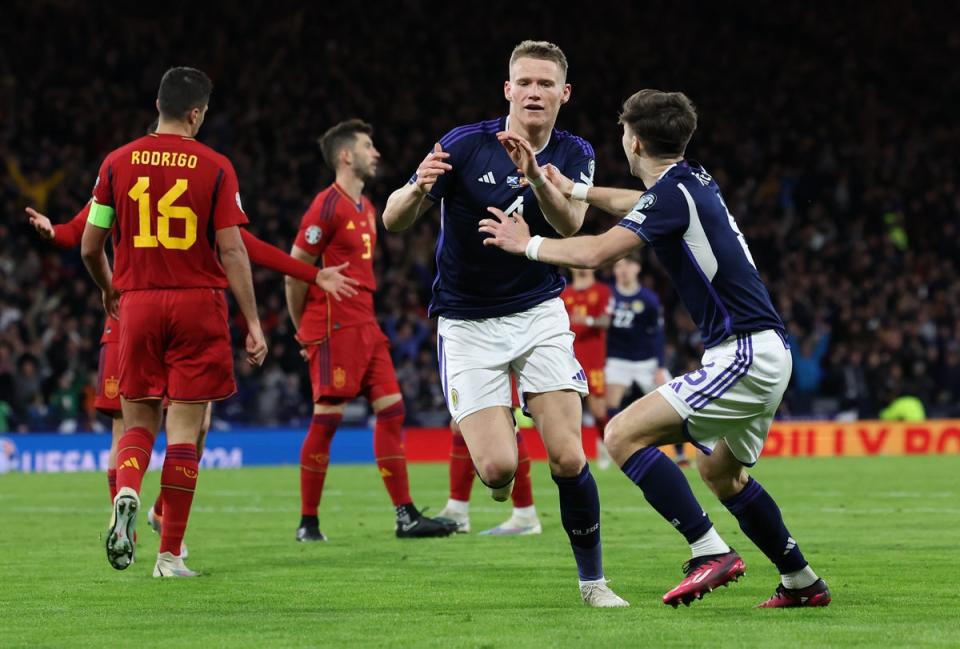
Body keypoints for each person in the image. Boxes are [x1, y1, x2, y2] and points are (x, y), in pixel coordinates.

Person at [479, 88, 831, 608]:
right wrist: (576, 190)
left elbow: (597, 252)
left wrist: (526, 244)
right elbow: (634, 203)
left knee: (621, 434)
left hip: (743, 353)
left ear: (633, 140)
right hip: (762, 350)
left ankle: (709, 550)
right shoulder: (691, 180)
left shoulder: (670, 195)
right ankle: (802, 582)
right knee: (720, 472)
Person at [383, 40, 627, 607]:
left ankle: (594, 582)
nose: (535, 92)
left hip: (538, 311)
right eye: (525, 82)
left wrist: (537, 177)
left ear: (563, 94)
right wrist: (417, 186)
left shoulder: (573, 151)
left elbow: (569, 227)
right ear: (508, 90)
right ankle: (502, 438)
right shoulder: (465, 145)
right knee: (496, 470)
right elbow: (394, 221)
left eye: (546, 84)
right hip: (467, 323)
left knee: (568, 455)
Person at [26, 180, 356, 547]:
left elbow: (82, 236)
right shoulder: (195, 176)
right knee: (181, 428)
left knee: (142, 428)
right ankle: (157, 532)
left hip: (130, 317)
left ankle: (141, 516)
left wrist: (55, 233)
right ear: (192, 117)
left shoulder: (124, 174)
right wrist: (310, 275)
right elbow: (240, 248)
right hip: (180, 316)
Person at [81, 67, 268, 578]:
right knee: (186, 431)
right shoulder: (215, 166)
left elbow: (89, 244)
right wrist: (252, 321)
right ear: (195, 113)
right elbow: (231, 248)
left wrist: (108, 287)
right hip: (197, 304)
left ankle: (126, 491)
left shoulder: (116, 163)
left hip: (137, 304)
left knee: (137, 422)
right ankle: (169, 556)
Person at [285, 119, 456, 541]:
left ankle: (405, 515)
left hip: (366, 322)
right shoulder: (326, 206)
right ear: (346, 156)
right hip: (333, 325)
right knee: (327, 420)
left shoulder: (367, 208)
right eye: (367, 145)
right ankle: (308, 522)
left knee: (393, 411)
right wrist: (301, 330)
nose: (375, 152)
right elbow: (294, 271)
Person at [604, 255, 689, 467]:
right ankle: (613, 450)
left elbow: (658, 334)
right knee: (610, 404)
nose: (622, 270)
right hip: (618, 359)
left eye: (626, 264)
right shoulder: (608, 296)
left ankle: (680, 454)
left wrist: (660, 366)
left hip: (647, 362)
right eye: (617, 266)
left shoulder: (649, 299)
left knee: (674, 402)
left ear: (637, 268)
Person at [436, 382, 542, 536]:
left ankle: (525, 515)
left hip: (491, 360)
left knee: (503, 419)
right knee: (461, 422)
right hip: (471, 360)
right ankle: (457, 510)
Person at [560, 269, 613, 467]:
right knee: (566, 411)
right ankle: (572, 453)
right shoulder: (564, 294)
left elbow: (606, 321)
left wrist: (588, 320)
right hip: (568, 358)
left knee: (599, 409)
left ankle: (606, 446)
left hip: (593, 360)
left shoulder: (602, 291)